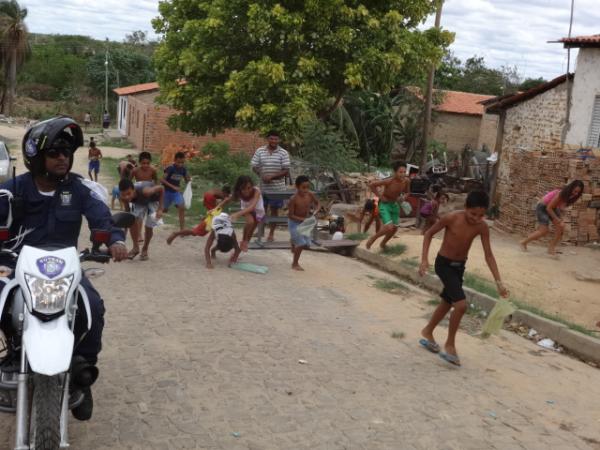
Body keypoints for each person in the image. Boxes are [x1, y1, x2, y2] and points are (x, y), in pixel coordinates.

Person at [0, 117, 128, 420]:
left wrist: (114, 240)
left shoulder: (80, 189)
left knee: (93, 307)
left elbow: (103, 219)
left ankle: (82, 369)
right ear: (36, 156)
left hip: (65, 269)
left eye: (66, 153)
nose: (62, 158)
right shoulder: (11, 190)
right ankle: (13, 355)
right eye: (55, 152)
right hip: (15, 265)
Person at [418, 191, 508, 366]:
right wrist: (424, 260)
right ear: (466, 208)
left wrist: (499, 282)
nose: (476, 218)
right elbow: (428, 234)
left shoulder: (482, 227)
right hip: (443, 265)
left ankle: (428, 331)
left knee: (447, 302)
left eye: (481, 215)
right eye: (473, 213)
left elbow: (488, 255)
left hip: (459, 267)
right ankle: (450, 344)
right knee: (460, 305)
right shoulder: (451, 218)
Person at [519, 180, 584, 256]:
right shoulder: (561, 194)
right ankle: (523, 242)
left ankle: (551, 248)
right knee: (544, 231)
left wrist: (561, 220)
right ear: (571, 187)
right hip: (542, 207)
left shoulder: (570, 196)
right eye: (575, 191)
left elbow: (560, 208)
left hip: (552, 207)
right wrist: (559, 221)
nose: (576, 194)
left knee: (560, 228)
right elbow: (548, 208)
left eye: (578, 193)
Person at [251, 131, 290, 242]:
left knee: (274, 211)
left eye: (276, 139)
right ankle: (260, 230)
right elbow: (254, 166)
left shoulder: (283, 153)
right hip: (263, 188)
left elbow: (286, 171)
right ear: (267, 139)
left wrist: (271, 177)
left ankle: (271, 234)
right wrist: (262, 175)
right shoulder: (260, 151)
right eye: (271, 139)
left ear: (279, 140)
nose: (273, 141)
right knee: (261, 210)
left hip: (277, 189)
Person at [365, 161, 411, 250]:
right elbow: (372, 185)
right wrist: (380, 197)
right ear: (395, 172)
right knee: (389, 227)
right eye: (400, 172)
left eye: (404, 172)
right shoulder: (389, 181)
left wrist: (404, 197)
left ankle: (383, 244)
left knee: (395, 228)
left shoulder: (406, 181)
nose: (403, 174)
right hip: (385, 205)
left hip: (395, 205)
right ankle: (373, 238)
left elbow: (408, 192)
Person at [119, 178, 164, 261]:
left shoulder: (146, 191)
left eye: (129, 193)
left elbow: (161, 188)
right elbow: (127, 215)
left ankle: (145, 249)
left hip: (152, 200)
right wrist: (122, 237)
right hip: (140, 202)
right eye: (124, 194)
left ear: (134, 190)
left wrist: (160, 208)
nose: (127, 197)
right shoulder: (123, 197)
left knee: (148, 226)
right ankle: (135, 247)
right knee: (132, 220)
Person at [166, 188, 231, 244]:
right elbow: (218, 207)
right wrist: (225, 200)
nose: (226, 197)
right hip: (209, 219)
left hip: (208, 198)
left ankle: (177, 233)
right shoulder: (222, 196)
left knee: (197, 232)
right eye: (226, 195)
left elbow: (215, 209)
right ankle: (176, 233)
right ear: (225, 192)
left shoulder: (218, 193)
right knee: (194, 232)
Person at [288, 175, 321, 271]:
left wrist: (316, 211)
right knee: (301, 244)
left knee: (307, 244)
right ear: (297, 187)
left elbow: (318, 203)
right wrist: (303, 219)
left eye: (307, 187)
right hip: (294, 223)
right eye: (303, 188)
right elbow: (290, 215)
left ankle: (293, 241)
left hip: (304, 223)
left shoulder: (310, 195)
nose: (306, 190)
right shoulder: (293, 199)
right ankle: (295, 263)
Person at [231, 175, 265, 252]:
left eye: (249, 188)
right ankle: (243, 240)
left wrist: (237, 214)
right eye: (243, 188)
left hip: (258, 212)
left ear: (252, 186)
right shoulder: (238, 192)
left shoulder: (257, 191)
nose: (247, 191)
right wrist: (216, 207)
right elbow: (228, 199)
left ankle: (244, 244)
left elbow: (252, 207)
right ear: (239, 188)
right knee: (250, 222)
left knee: (250, 232)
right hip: (246, 210)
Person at [161, 151, 191, 230]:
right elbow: (162, 180)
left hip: (176, 193)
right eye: (179, 162)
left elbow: (186, 180)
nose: (180, 164)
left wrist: (188, 179)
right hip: (166, 192)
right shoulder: (170, 168)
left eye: (182, 162)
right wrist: (173, 186)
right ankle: (152, 222)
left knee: (181, 207)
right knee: (164, 210)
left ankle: (182, 230)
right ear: (175, 160)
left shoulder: (183, 169)